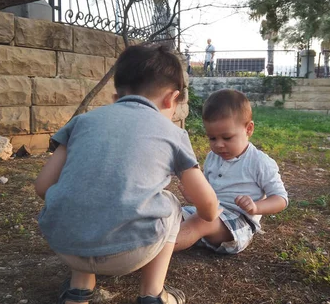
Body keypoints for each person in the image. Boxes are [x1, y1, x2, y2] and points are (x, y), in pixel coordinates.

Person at [35, 45, 220, 304]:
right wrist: (210, 217)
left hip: (65, 244)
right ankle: (152, 294)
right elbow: (208, 204)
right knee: (170, 203)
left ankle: (79, 289)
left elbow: (43, 186)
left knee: (85, 188)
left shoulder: (82, 122)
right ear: (171, 99)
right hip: (132, 252)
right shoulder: (172, 133)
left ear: (115, 97)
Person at [174, 89, 288, 254]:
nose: (219, 145)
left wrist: (255, 207)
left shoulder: (259, 162)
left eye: (227, 138)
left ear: (248, 129)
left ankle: (158, 250)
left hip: (238, 223)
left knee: (202, 220)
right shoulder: (213, 157)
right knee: (173, 212)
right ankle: (151, 239)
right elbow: (207, 192)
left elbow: (281, 199)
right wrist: (195, 197)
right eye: (212, 138)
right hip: (210, 212)